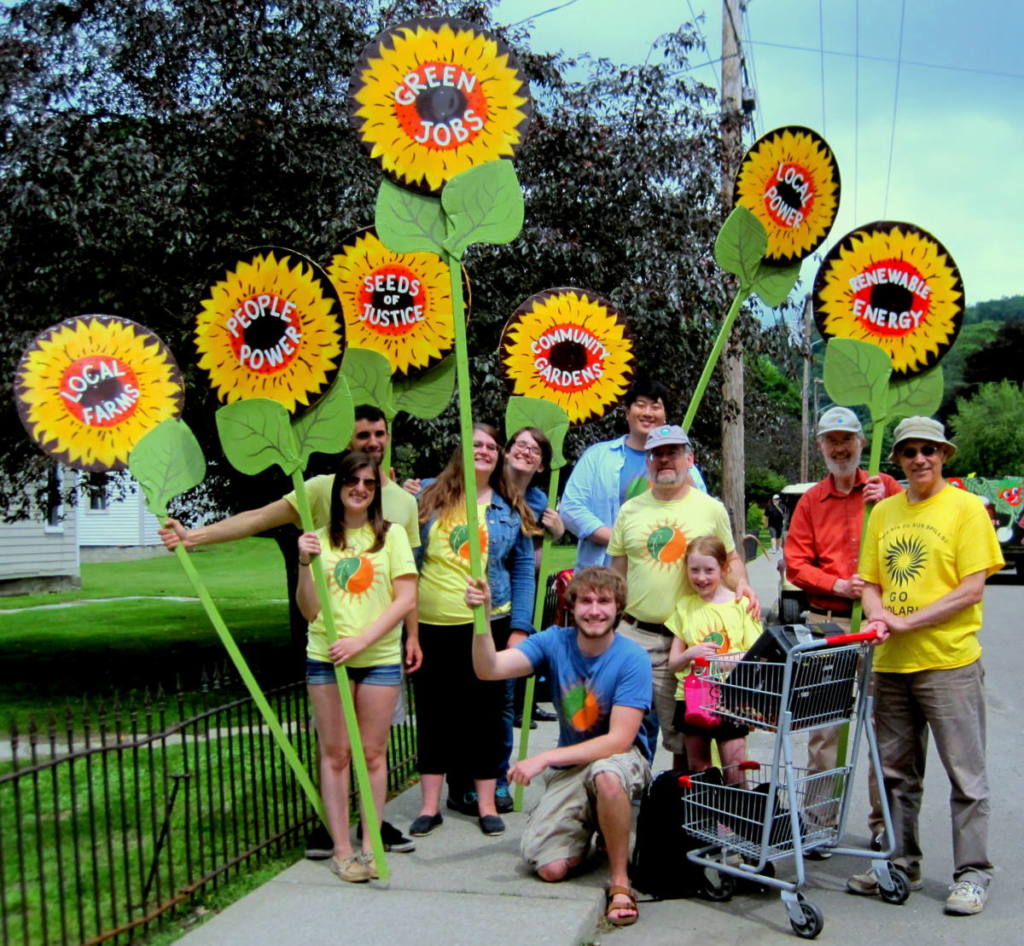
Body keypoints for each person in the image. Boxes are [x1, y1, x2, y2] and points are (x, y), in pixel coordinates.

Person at [159, 404, 420, 856]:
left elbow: (408, 580)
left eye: (380, 434)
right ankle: (335, 833)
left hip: (380, 646)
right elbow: (259, 518)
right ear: (347, 443)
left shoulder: (403, 504)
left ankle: (374, 828)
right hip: (329, 641)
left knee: (375, 748)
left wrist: (413, 636)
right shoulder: (318, 489)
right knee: (335, 748)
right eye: (363, 436)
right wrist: (194, 537)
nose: (373, 443)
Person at [849, 416, 1003, 916]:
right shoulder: (885, 512)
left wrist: (907, 621)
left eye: (929, 451)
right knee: (894, 773)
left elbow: (971, 588)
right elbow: (869, 579)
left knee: (966, 774)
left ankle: (973, 873)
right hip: (891, 663)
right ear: (897, 459)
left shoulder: (965, 510)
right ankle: (899, 863)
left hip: (948, 661)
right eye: (910, 451)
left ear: (943, 456)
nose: (919, 459)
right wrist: (877, 615)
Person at [466, 566, 652, 928]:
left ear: (618, 608)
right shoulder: (554, 641)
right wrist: (482, 619)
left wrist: (544, 758)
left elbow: (619, 740)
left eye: (604, 601)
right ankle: (595, 826)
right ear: (572, 606)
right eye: (586, 601)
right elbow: (488, 669)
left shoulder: (633, 658)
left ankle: (620, 881)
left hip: (620, 760)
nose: (594, 610)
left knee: (607, 776)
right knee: (550, 869)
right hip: (572, 766)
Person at [408, 423, 537, 839]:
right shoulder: (427, 495)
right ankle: (430, 805)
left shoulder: (507, 506)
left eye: (490, 446)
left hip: (487, 625)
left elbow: (521, 569)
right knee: (433, 713)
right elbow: (407, 557)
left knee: (483, 714)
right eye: (475, 445)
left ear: (498, 456)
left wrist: (519, 627)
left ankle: (485, 804)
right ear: (461, 452)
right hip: (431, 624)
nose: (483, 451)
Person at [294, 452, 417, 882]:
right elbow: (309, 610)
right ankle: (342, 850)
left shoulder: (392, 535)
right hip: (327, 658)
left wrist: (363, 640)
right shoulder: (319, 539)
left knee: (372, 753)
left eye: (368, 482)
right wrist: (303, 564)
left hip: (378, 658)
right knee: (335, 754)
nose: (360, 489)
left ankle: (369, 842)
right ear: (338, 487)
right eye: (352, 481)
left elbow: (405, 598)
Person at [608, 424, 757, 770]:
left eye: (672, 453)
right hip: (636, 636)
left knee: (686, 734)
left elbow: (730, 558)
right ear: (647, 462)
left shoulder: (710, 509)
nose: (664, 460)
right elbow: (617, 573)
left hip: (692, 641)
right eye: (656, 454)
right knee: (628, 724)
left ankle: (681, 808)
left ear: (689, 459)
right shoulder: (630, 510)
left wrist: (743, 586)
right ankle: (633, 799)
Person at [784, 406, 901, 841]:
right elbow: (795, 564)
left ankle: (881, 827)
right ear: (820, 447)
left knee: (881, 728)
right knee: (824, 730)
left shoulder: (884, 488)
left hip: (878, 624)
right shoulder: (812, 501)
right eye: (831, 441)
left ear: (862, 443)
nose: (840, 448)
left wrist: (887, 505)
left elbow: (909, 537)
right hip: (828, 623)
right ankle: (819, 822)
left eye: (847, 439)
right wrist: (836, 583)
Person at [559, 378, 707, 569]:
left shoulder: (683, 465)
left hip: (664, 574)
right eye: (640, 406)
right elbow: (571, 508)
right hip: (604, 575)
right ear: (627, 412)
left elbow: (702, 511)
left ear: (665, 416)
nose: (647, 413)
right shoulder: (596, 457)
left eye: (655, 407)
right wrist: (620, 540)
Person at [666, 536, 762, 782]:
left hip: (731, 695)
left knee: (736, 766)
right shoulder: (685, 606)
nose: (701, 577)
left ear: (724, 569)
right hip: (691, 696)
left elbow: (757, 655)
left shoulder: (740, 604)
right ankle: (706, 816)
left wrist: (721, 661)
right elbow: (673, 663)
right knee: (699, 767)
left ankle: (736, 817)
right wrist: (690, 653)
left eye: (709, 570)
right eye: (694, 570)